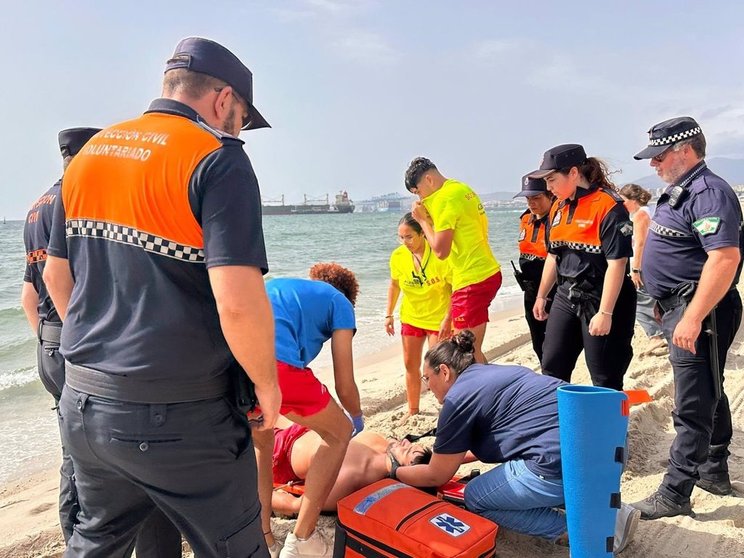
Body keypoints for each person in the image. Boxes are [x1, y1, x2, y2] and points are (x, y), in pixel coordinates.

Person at [43, 37, 280, 557]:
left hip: (84, 402)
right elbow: (237, 301)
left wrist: (102, 352)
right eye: (241, 117)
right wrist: (267, 383)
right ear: (223, 100)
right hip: (181, 416)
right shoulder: (218, 159)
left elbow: (57, 278)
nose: (239, 129)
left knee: (98, 541)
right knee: (235, 546)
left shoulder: (90, 155)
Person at [22, 127, 181, 557]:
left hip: (48, 344)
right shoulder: (79, 197)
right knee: (131, 460)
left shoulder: (37, 207)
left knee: (77, 454)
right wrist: (90, 339)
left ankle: (77, 540)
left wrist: (51, 341)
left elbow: (29, 296)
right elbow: (65, 279)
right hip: (82, 345)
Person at [391, 331, 640, 552]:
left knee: (477, 497)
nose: (427, 387)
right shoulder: (500, 372)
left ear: (444, 371)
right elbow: (504, 437)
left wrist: (395, 471)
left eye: (426, 379)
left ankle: (587, 532)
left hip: (566, 466)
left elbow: (437, 476)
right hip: (611, 451)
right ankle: (611, 510)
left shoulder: (458, 399)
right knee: (532, 467)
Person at [630, 117, 743, 519]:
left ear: (685, 150)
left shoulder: (709, 192)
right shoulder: (681, 189)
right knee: (709, 388)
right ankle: (713, 471)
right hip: (681, 307)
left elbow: (725, 258)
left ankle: (675, 494)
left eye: (659, 156)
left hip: (700, 311)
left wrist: (692, 317)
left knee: (693, 402)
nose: (653, 165)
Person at [253, 263, 364, 558]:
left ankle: (265, 538)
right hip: (278, 367)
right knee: (339, 432)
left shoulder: (286, 287)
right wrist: (356, 416)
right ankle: (302, 539)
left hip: (235, 363)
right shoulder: (340, 303)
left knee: (264, 443)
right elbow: (345, 383)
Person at [530, 144, 636, 391]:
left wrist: (606, 313)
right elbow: (553, 256)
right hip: (566, 294)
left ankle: (609, 429)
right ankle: (557, 425)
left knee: (604, 374)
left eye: (552, 179)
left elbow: (617, 264)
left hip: (602, 296)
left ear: (574, 173)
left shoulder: (609, 206)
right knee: (552, 365)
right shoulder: (558, 206)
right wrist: (542, 295)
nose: (549, 188)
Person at [405, 157, 502, 363]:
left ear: (429, 180)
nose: (421, 199)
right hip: (485, 272)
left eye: (418, 191)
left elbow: (441, 250)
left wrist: (421, 220)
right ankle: (487, 391)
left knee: (465, 355)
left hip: (472, 279)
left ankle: (485, 393)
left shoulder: (444, 199)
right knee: (471, 350)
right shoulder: (459, 188)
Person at [271, 422, 432, 516]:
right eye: (411, 444)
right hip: (303, 429)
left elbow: (297, 506)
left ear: (403, 471)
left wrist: (259, 494)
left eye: (407, 450)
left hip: (279, 455)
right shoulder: (382, 444)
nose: (404, 442)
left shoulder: (350, 477)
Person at [385, 213, 452, 417]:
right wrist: (389, 314)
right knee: (410, 365)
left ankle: (448, 409)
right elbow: (395, 285)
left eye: (409, 237)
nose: (405, 242)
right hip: (412, 317)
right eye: (401, 237)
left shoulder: (440, 255)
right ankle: (413, 410)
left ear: (423, 233)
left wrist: (448, 319)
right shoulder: (398, 256)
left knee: (437, 367)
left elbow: (454, 288)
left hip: (437, 318)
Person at [618, 183, 667, 354]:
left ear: (633, 200)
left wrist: (636, 269)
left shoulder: (640, 215)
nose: (621, 204)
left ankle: (656, 337)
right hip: (657, 263)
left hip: (646, 264)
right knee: (654, 300)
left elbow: (640, 243)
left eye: (623, 200)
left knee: (639, 301)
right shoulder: (652, 211)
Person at [512, 175, 556, 363]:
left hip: (553, 291)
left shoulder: (556, 221)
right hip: (530, 290)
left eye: (536, 197)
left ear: (550, 196)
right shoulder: (525, 219)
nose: (532, 203)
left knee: (557, 343)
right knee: (538, 342)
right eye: (528, 199)